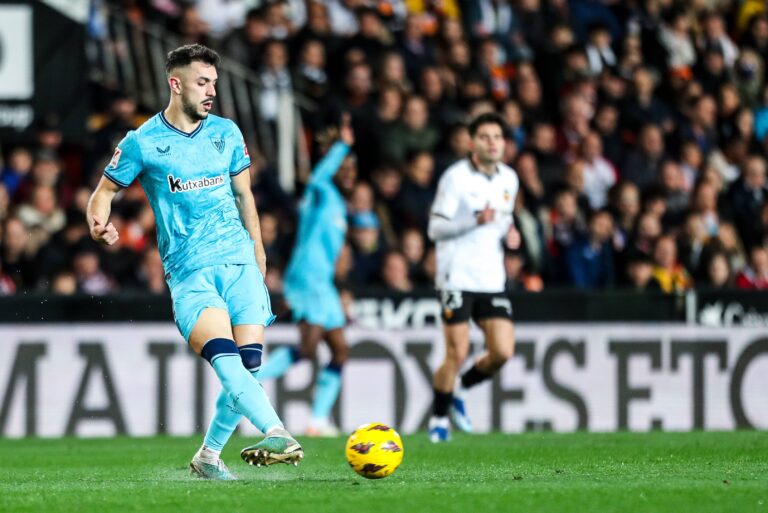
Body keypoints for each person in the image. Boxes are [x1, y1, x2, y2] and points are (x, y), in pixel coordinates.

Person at [86, 44, 302, 481]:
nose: (211, 92)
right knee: (229, 364)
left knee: (250, 366)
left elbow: (245, 196)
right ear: (176, 83)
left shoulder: (227, 132)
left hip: (240, 264)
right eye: (203, 83)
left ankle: (207, 456)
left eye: (214, 84)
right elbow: (103, 194)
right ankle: (277, 431)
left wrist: (258, 251)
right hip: (190, 273)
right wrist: (98, 225)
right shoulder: (142, 143)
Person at [257, 115, 356, 436]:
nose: (349, 174)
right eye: (344, 168)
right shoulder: (321, 192)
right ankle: (250, 381)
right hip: (306, 279)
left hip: (323, 283)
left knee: (340, 350)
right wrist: (342, 148)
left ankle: (316, 421)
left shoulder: (340, 205)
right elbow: (318, 175)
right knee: (310, 348)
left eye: (352, 169)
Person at [426, 112, 520, 442]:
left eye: (498, 137)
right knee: (457, 351)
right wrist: (475, 221)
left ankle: (460, 389)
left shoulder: (510, 178)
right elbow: (434, 228)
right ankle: (439, 420)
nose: (492, 143)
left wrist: (511, 233)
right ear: (472, 143)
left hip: (491, 279)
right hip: (457, 276)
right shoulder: (456, 179)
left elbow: (504, 221)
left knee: (503, 352)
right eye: (485, 137)